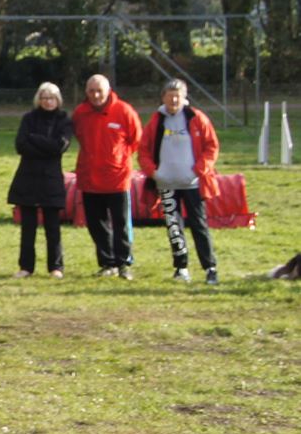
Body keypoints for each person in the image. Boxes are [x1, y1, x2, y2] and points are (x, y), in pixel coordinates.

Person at [139, 78, 221, 285]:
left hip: (192, 183)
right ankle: (181, 267)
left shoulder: (196, 118)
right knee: (173, 226)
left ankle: (210, 267)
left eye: (178, 95)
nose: (174, 99)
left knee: (199, 224)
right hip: (166, 184)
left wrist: (200, 169)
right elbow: (144, 150)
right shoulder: (157, 121)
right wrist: (154, 173)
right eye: (170, 95)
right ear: (163, 97)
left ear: (184, 97)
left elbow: (212, 146)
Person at [71, 73, 142, 278]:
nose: (95, 95)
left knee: (121, 224)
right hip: (89, 178)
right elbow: (78, 136)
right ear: (86, 92)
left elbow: (136, 140)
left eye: (99, 91)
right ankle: (106, 263)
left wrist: (118, 158)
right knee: (96, 224)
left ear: (108, 90)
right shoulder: (80, 113)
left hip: (117, 179)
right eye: (91, 91)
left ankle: (123, 264)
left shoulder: (124, 111)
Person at [7, 82, 72, 278]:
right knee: (28, 227)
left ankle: (56, 267)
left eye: (51, 98)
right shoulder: (28, 118)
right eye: (44, 98)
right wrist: (46, 146)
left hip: (51, 179)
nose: (47, 101)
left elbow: (60, 147)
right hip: (27, 177)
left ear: (57, 100)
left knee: (53, 227)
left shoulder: (64, 120)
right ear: (38, 99)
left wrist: (34, 139)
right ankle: (26, 267)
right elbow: (20, 145)